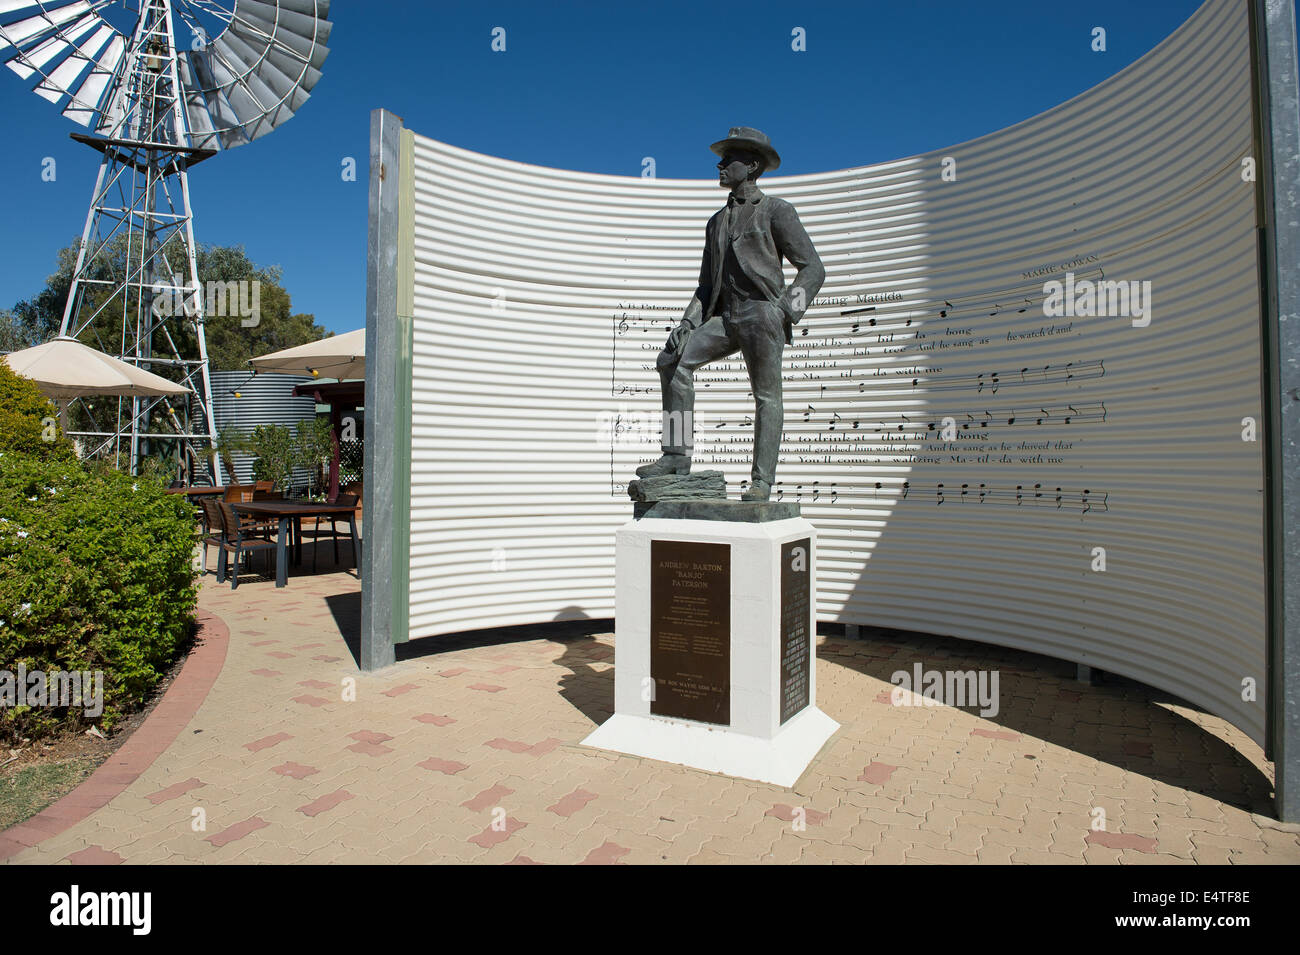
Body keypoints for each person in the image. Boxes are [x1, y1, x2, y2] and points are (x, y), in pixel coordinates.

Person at [636, 127, 824, 502]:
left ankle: (761, 482)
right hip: (726, 317)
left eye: (729, 159)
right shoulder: (716, 222)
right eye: (721, 160)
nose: (720, 165)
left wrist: (786, 311)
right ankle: (676, 457)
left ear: (752, 166)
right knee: (672, 361)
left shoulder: (776, 211)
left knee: (766, 396)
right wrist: (688, 323)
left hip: (762, 314)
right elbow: (706, 285)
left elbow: (813, 268)